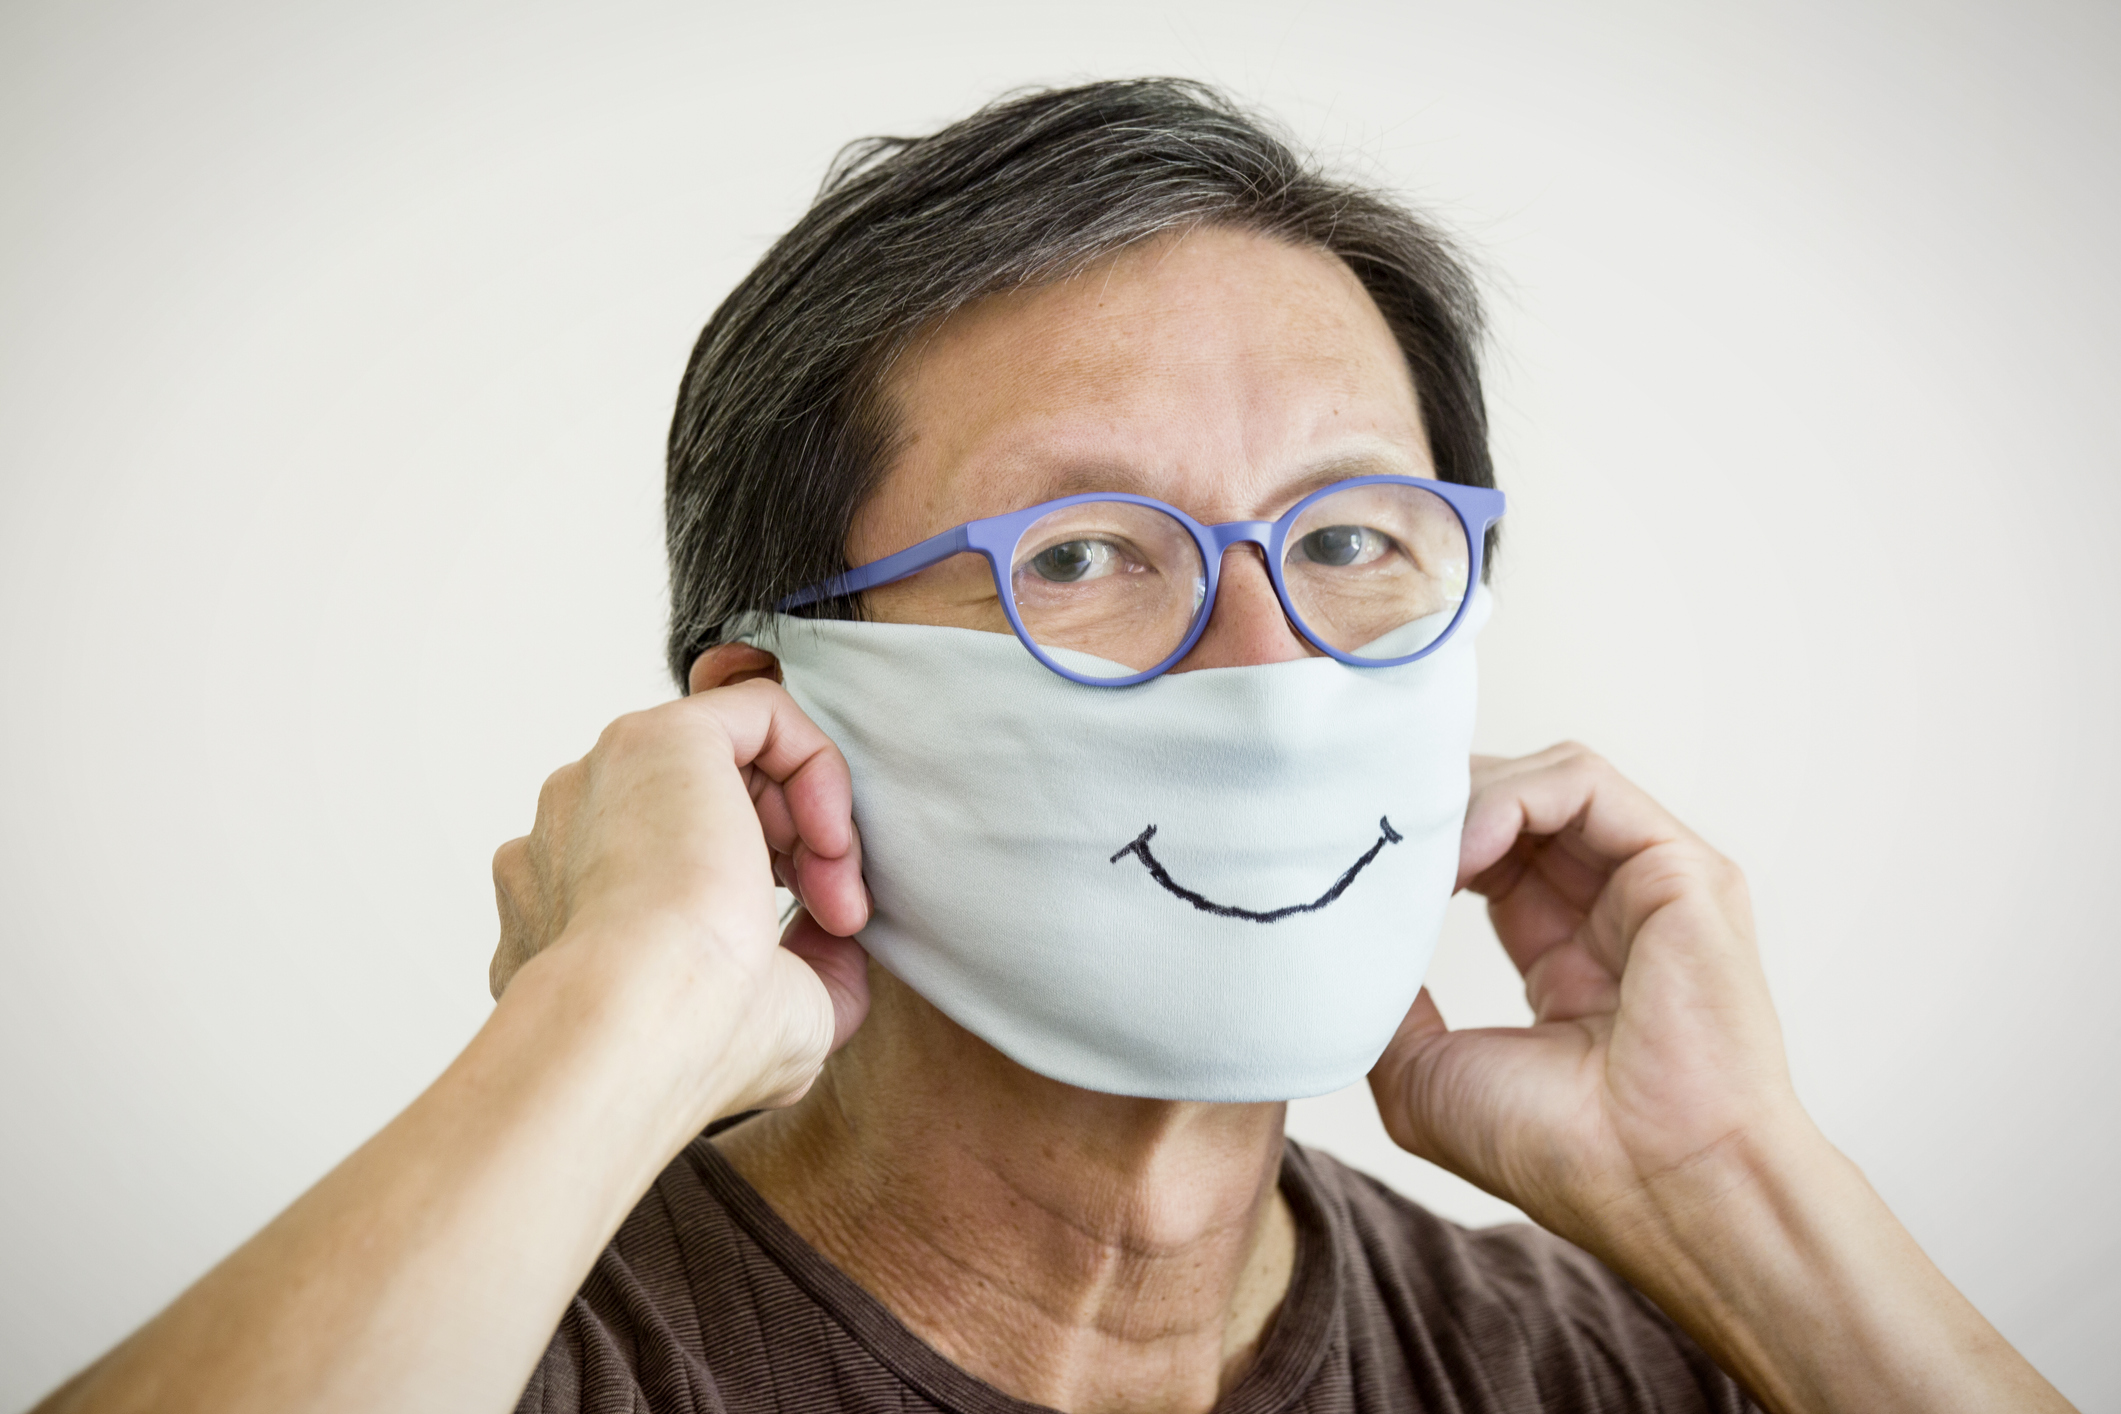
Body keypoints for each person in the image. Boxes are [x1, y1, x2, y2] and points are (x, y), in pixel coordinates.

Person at [31, 80, 2072, 1414]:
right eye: (1087, 551)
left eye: (1353, 536)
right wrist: (602, 1029)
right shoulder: (505, 1342)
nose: (1264, 660)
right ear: (772, 714)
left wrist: (1738, 1194)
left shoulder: (1636, 1363)